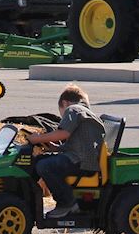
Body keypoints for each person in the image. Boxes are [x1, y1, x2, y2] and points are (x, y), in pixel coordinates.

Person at [23, 85, 105, 220]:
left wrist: (38, 138)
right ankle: (29, 196)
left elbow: (63, 133)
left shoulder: (73, 109)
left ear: (65, 103)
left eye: (61, 113)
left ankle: (67, 203)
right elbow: (76, 142)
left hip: (81, 162)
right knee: (39, 160)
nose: (62, 117)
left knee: (45, 166)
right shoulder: (86, 113)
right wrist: (55, 148)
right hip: (82, 159)